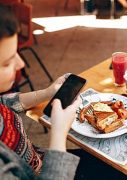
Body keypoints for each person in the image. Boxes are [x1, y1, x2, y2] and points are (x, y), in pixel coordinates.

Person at [0, 4, 82, 179]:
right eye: (6, 63)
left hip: (39, 158)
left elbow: (4, 104)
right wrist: (59, 134)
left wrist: (46, 93)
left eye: (16, 53)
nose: (21, 64)